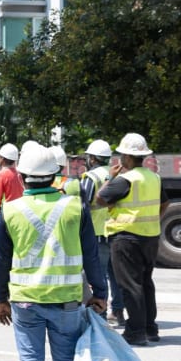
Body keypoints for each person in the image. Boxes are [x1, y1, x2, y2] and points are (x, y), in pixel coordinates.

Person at [0, 141, 106, 361]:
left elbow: (1, 261)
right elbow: (92, 256)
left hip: (25, 302)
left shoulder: (10, 211)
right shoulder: (76, 207)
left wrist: (1, 299)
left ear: (21, 177)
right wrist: (100, 293)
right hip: (66, 301)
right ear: (55, 176)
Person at [96, 133, 169, 346]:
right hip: (150, 237)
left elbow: (100, 199)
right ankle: (150, 328)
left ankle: (135, 332)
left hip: (126, 237)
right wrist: (153, 220)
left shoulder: (125, 180)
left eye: (121, 154)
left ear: (127, 157)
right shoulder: (153, 177)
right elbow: (165, 204)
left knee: (130, 285)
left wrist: (110, 178)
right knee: (145, 282)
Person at [80, 139, 125, 326]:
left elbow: (86, 203)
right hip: (114, 229)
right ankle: (118, 311)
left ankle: (101, 313)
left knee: (98, 276)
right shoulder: (117, 174)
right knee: (116, 275)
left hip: (97, 231)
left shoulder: (90, 177)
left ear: (92, 158)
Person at [0, 142, 24, 216]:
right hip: (22, 210)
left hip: (9, 212)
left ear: (2, 159)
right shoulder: (20, 173)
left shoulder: (1, 175)